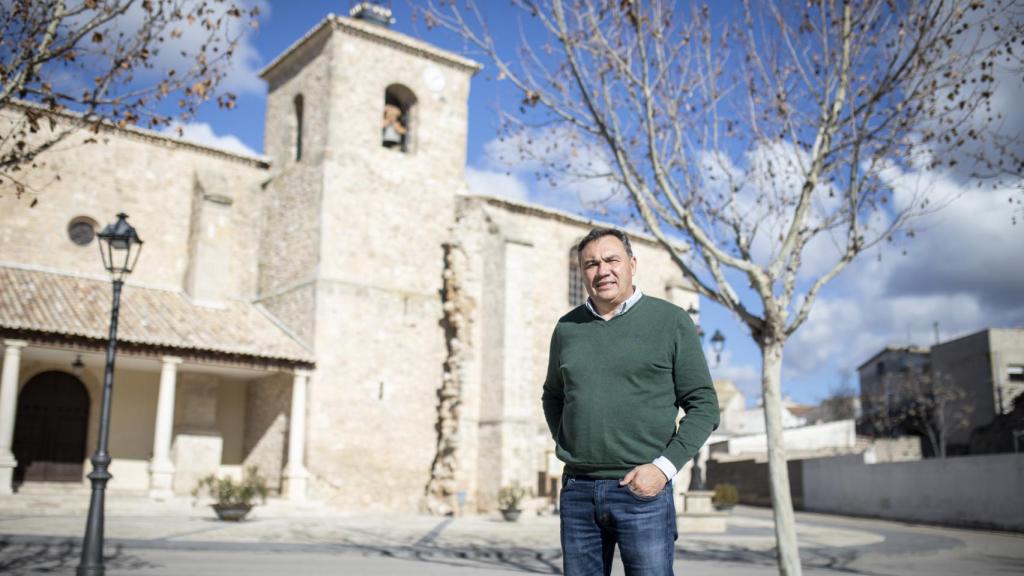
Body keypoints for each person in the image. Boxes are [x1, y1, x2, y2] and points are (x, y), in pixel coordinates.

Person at [542, 227, 719, 576]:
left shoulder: (671, 321)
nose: (602, 270)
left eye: (612, 260)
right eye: (591, 264)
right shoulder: (567, 328)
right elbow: (553, 395)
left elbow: (704, 405)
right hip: (578, 491)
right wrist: (570, 443)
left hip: (643, 494)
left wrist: (663, 469)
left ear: (632, 264)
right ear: (582, 273)